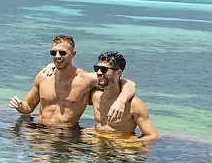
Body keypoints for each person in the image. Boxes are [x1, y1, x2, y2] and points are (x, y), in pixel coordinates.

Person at [9, 34, 137, 128]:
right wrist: (20, 106)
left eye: (62, 53)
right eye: (54, 53)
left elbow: (129, 83)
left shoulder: (85, 79)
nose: (57, 56)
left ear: (73, 54)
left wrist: (120, 101)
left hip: (67, 135)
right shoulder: (43, 76)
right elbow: (28, 107)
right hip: (40, 131)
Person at [89, 52, 159, 143]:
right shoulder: (95, 96)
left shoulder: (134, 104)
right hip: (98, 146)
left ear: (118, 73)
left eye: (104, 69)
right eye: (96, 68)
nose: (98, 73)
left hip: (121, 151)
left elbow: (152, 135)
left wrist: (126, 144)